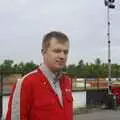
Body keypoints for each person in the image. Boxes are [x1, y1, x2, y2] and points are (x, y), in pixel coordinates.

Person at [6, 31, 73, 120]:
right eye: (57, 51)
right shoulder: (26, 83)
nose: (62, 56)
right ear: (43, 52)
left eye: (65, 52)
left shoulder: (67, 81)